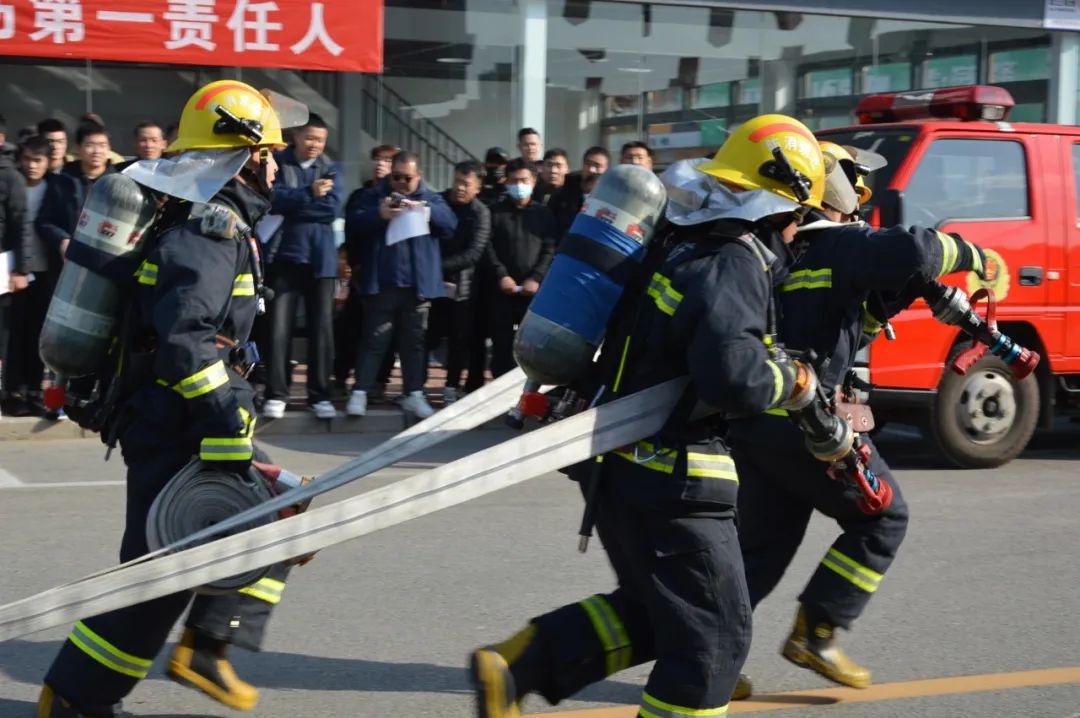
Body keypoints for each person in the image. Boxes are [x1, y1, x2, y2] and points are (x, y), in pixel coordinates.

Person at [469, 114, 828, 718]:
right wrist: (793, 380)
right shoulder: (733, 260)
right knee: (716, 641)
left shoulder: (679, 239)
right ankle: (526, 661)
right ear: (778, 206)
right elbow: (732, 376)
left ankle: (523, 661)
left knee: (661, 610)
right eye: (800, 217)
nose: (798, 233)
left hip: (622, 466)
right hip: (675, 478)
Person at [36, 80, 305, 717]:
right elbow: (186, 341)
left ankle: (207, 644)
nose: (276, 165)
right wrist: (224, 430)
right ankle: (75, 696)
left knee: (284, 507)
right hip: (174, 418)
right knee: (156, 573)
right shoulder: (211, 229)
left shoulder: (206, 216)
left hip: (176, 412)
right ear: (243, 157)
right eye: (269, 152)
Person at [726, 142, 991, 699]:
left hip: (759, 419)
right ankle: (817, 631)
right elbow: (915, 252)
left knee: (762, 548)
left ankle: (712, 659)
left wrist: (880, 308)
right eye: (856, 181)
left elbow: (837, 325)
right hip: (807, 421)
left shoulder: (781, 246)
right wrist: (973, 255)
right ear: (836, 187)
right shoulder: (841, 240)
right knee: (883, 517)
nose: (864, 194)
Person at [345, 150, 457, 419]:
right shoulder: (372, 197)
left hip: (417, 286)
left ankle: (415, 393)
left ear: (418, 176)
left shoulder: (431, 198)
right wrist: (379, 214)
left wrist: (426, 212)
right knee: (375, 339)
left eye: (407, 178)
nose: (401, 183)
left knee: (414, 342)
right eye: (396, 177)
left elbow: (451, 224)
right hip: (383, 283)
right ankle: (360, 391)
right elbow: (353, 223)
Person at [262, 113, 342, 420]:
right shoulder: (280, 163)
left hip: (321, 260)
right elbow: (272, 199)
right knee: (278, 329)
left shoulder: (331, 167)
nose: (315, 145)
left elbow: (331, 208)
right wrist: (308, 193)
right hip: (284, 257)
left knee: (321, 329)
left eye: (320, 140)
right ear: (296, 136)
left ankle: (320, 395)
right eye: (310, 138)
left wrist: (295, 205)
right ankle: (276, 393)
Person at [3, 135, 78, 417]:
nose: (32, 166)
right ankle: (12, 390)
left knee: (38, 333)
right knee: (13, 334)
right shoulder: (13, 184)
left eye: (39, 160)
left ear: (49, 162)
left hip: (47, 271)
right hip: (14, 271)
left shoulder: (57, 187)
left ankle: (35, 389)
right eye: (28, 160)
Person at [484, 157, 556, 377]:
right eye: (514, 180)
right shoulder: (494, 212)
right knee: (501, 346)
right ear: (506, 183)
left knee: (530, 348)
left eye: (524, 180)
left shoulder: (543, 214)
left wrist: (536, 277)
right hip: (501, 291)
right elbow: (487, 247)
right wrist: (501, 275)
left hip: (532, 292)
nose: (519, 185)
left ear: (533, 181)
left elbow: (550, 249)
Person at [431, 160, 491, 403]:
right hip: (431, 282)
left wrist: (436, 269)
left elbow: (474, 253)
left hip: (462, 285)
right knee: (426, 336)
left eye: (466, 184)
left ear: (477, 188)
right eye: (457, 181)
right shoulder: (438, 201)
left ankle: (451, 387)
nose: (460, 188)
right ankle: (414, 388)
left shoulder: (481, 213)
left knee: (459, 339)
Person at [0, 120, 32, 417]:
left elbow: (21, 224)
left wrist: (20, 269)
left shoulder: (11, 177)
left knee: (4, 334)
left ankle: (6, 390)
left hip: (2, 265)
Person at [547, 146, 609, 238]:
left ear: (606, 169)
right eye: (587, 164)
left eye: (597, 165)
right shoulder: (561, 195)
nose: (591, 170)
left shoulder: (610, 198)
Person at [62, 121, 115, 197]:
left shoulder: (117, 180)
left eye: (102, 145)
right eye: (90, 145)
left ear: (109, 148)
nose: (97, 151)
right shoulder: (64, 178)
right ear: (78, 148)